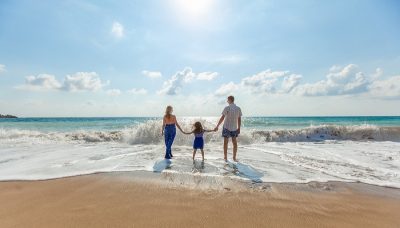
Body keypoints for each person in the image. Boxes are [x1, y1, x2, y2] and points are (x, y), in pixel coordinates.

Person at [214, 95, 242, 162]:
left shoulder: (227, 108)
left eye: (227, 100)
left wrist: (217, 126)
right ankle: (234, 158)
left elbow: (222, 118)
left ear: (230, 100)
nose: (227, 101)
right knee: (234, 143)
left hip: (226, 127)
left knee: (225, 143)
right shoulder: (238, 108)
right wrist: (239, 128)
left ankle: (225, 157)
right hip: (234, 128)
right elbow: (239, 119)